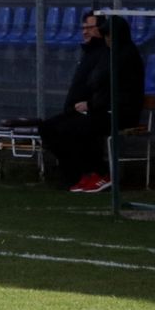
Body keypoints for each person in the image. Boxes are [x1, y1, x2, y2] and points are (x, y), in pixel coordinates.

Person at [40, 10, 109, 191]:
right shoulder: (89, 53)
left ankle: (94, 173)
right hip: (78, 110)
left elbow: (105, 87)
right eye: (83, 28)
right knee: (48, 128)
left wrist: (91, 104)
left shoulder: (105, 54)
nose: (85, 31)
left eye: (90, 27)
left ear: (101, 29)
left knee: (69, 130)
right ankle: (73, 173)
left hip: (97, 112)